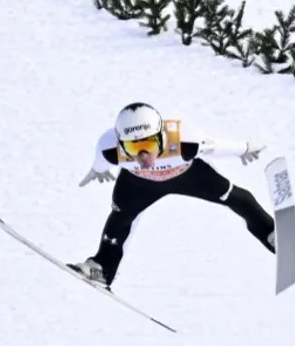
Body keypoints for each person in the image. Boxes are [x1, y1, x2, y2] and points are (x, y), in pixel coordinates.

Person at [67, 102, 275, 289]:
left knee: (237, 197)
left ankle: (270, 233)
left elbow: (215, 147)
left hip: (187, 176)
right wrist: (98, 169)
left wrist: (245, 149)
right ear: (121, 143)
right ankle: (102, 268)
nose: (143, 157)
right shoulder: (110, 147)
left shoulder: (185, 139)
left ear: (161, 136)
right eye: (132, 148)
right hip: (140, 183)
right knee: (120, 216)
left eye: (149, 146)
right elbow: (101, 157)